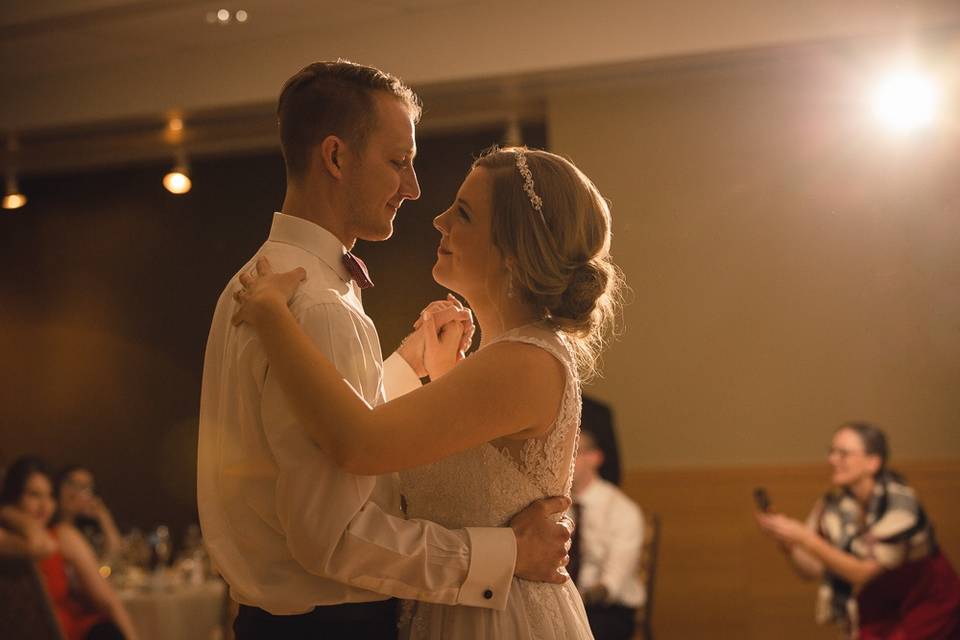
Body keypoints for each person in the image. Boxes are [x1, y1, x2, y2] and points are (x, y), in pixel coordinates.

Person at [197, 61, 572, 640]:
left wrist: (403, 367)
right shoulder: (317, 306)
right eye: (399, 162)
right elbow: (337, 533)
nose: (416, 190)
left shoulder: (257, 279)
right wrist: (506, 555)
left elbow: (337, 436)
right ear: (337, 158)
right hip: (334, 626)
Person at [231, 141, 623, 638]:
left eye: (462, 212)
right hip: (465, 605)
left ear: (512, 250)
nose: (438, 220)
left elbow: (359, 444)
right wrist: (437, 375)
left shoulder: (523, 361)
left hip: (498, 619)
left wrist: (273, 319)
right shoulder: (506, 361)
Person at [756, 422, 960, 639]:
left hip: (928, 608)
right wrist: (787, 542)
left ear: (872, 462)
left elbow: (861, 572)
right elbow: (813, 569)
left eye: (843, 453)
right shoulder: (832, 505)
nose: (832, 460)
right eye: (831, 452)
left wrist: (805, 538)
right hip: (877, 611)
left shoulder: (900, 504)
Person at [0, 456, 138, 640]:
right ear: (14, 496)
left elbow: (108, 601)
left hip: (74, 633)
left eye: (49, 496)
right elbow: (42, 546)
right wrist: (7, 511)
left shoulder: (63, 535)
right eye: (34, 495)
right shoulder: (9, 539)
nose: (44, 506)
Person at [568, 429, 644, 640]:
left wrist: (572, 600)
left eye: (572, 452)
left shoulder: (621, 510)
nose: (564, 459)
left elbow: (612, 584)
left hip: (605, 609)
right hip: (563, 601)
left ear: (595, 458)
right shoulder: (554, 505)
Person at [55, 465, 123, 562]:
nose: (74, 492)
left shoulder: (86, 531)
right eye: (70, 483)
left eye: (84, 487)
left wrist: (104, 517)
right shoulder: (51, 529)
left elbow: (114, 556)